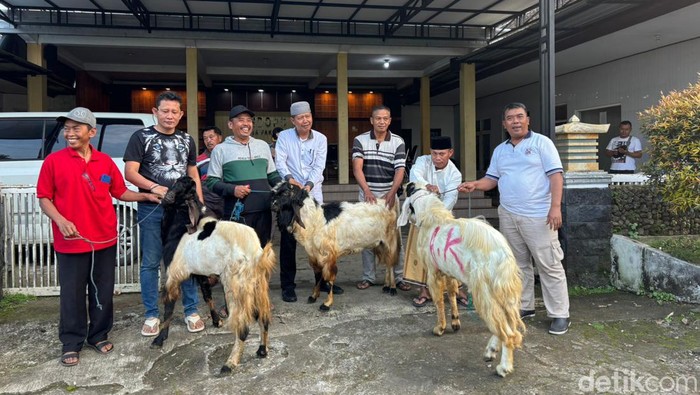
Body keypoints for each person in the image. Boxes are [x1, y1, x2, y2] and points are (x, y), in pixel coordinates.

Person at [37, 107, 161, 367]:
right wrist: (60, 220)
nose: (69, 133)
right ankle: (71, 342)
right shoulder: (54, 161)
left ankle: (98, 335)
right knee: (71, 293)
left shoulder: (104, 162)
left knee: (102, 291)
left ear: (91, 132)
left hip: (105, 238)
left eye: (76, 128)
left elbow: (119, 191)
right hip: (70, 240)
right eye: (67, 128)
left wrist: (146, 195)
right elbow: (44, 198)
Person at [458, 102, 570, 335]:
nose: (516, 121)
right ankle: (525, 305)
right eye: (510, 118)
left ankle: (559, 313)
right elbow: (492, 179)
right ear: (504, 124)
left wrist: (555, 207)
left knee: (548, 264)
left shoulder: (542, 143)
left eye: (520, 117)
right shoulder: (501, 150)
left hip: (539, 216)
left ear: (528, 119)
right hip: (508, 214)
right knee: (517, 265)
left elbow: (556, 176)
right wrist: (474, 185)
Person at [124, 91, 206, 337]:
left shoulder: (186, 139)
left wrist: (200, 205)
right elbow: (130, 172)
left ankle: (191, 310)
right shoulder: (141, 137)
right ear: (155, 112)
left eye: (174, 112)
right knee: (151, 262)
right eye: (165, 111)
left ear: (181, 115)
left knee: (187, 261)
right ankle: (151, 314)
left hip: (183, 211)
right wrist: (154, 187)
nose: (169, 116)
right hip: (153, 208)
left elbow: (193, 174)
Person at [274, 101, 343, 302]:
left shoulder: (321, 138)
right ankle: (288, 286)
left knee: (318, 241)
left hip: (313, 196)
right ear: (292, 120)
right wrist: (290, 180)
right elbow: (280, 162)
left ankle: (322, 282)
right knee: (288, 242)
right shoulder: (284, 137)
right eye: (301, 118)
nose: (305, 120)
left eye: (308, 116)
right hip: (290, 195)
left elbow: (319, 166)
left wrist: (309, 186)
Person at [352, 104, 411, 292]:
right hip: (368, 197)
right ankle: (369, 276)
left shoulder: (398, 141)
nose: (382, 122)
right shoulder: (360, 140)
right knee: (368, 238)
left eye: (386, 118)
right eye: (378, 118)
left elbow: (400, 169)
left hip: (389, 197)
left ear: (390, 120)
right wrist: (367, 191)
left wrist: (392, 193)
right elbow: (357, 168)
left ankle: (399, 276)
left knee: (395, 237)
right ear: (371, 120)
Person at [407, 136, 470, 308]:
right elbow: (415, 175)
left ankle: (456, 290)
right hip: (420, 217)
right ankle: (424, 291)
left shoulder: (454, 174)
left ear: (450, 153)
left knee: (449, 255)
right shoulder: (422, 161)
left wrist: (435, 215)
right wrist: (427, 185)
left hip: (442, 219)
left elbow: (450, 199)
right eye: (434, 153)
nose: (437, 157)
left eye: (442, 154)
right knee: (420, 255)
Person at [206, 105, 282, 247]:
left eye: (249, 120)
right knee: (238, 257)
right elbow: (211, 182)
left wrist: (285, 187)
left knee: (262, 254)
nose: (246, 123)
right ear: (230, 124)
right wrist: (233, 189)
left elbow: (272, 175)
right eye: (241, 120)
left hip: (264, 211)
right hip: (237, 213)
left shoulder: (263, 146)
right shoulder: (220, 149)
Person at [196, 126, 225, 218]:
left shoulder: (228, 156)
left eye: (211, 137)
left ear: (219, 138)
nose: (208, 141)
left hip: (225, 199)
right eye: (205, 138)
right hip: (207, 201)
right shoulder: (198, 160)